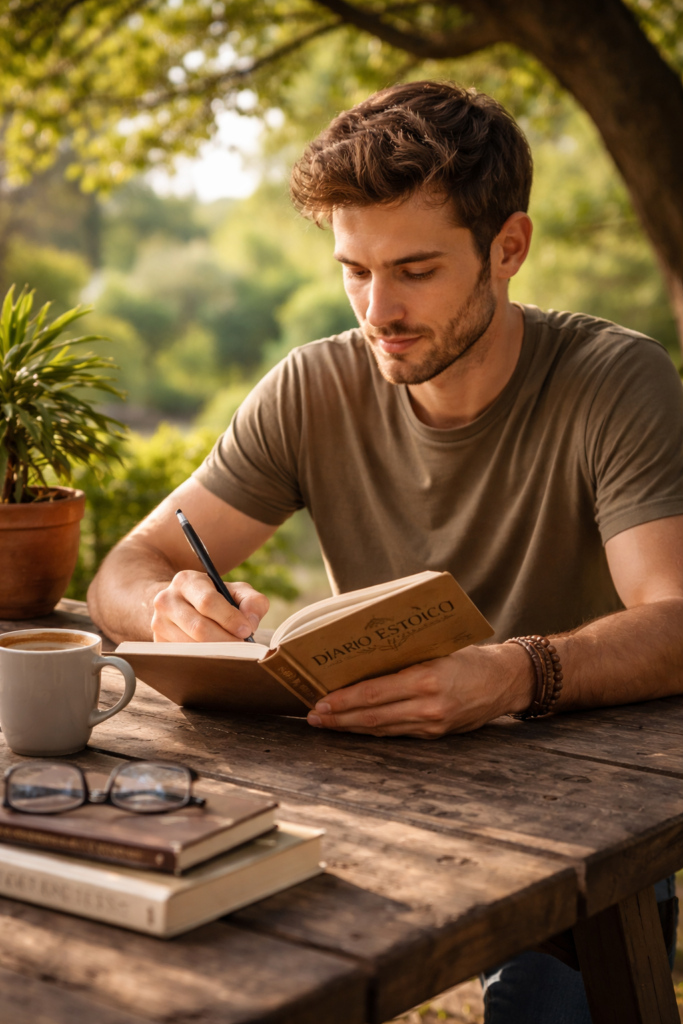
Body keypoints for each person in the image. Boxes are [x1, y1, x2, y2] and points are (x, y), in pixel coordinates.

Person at [88, 81, 683, 1022]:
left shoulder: (615, 380)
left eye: (414, 270)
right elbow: (128, 565)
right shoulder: (313, 385)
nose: (378, 309)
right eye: (353, 271)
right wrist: (165, 608)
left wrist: (512, 675)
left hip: (584, 813)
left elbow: (675, 620)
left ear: (508, 249)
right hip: (367, 785)